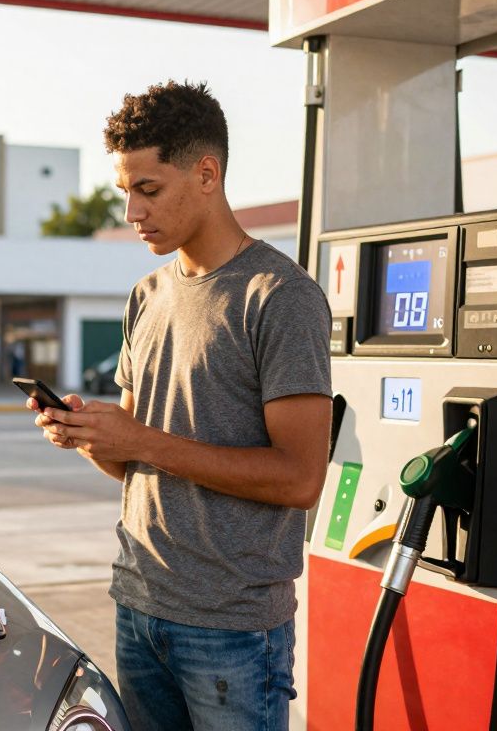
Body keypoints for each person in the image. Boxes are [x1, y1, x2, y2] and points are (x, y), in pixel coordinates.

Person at [29, 81, 332, 731]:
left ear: (206, 173)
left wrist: (139, 440)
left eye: (149, 189)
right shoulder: (147, 294)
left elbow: (301, 478)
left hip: (230, 630)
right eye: (126, 192)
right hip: (139, 603)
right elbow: (136, 462)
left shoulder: (280, 297)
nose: (133, 211)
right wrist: (92, 436)